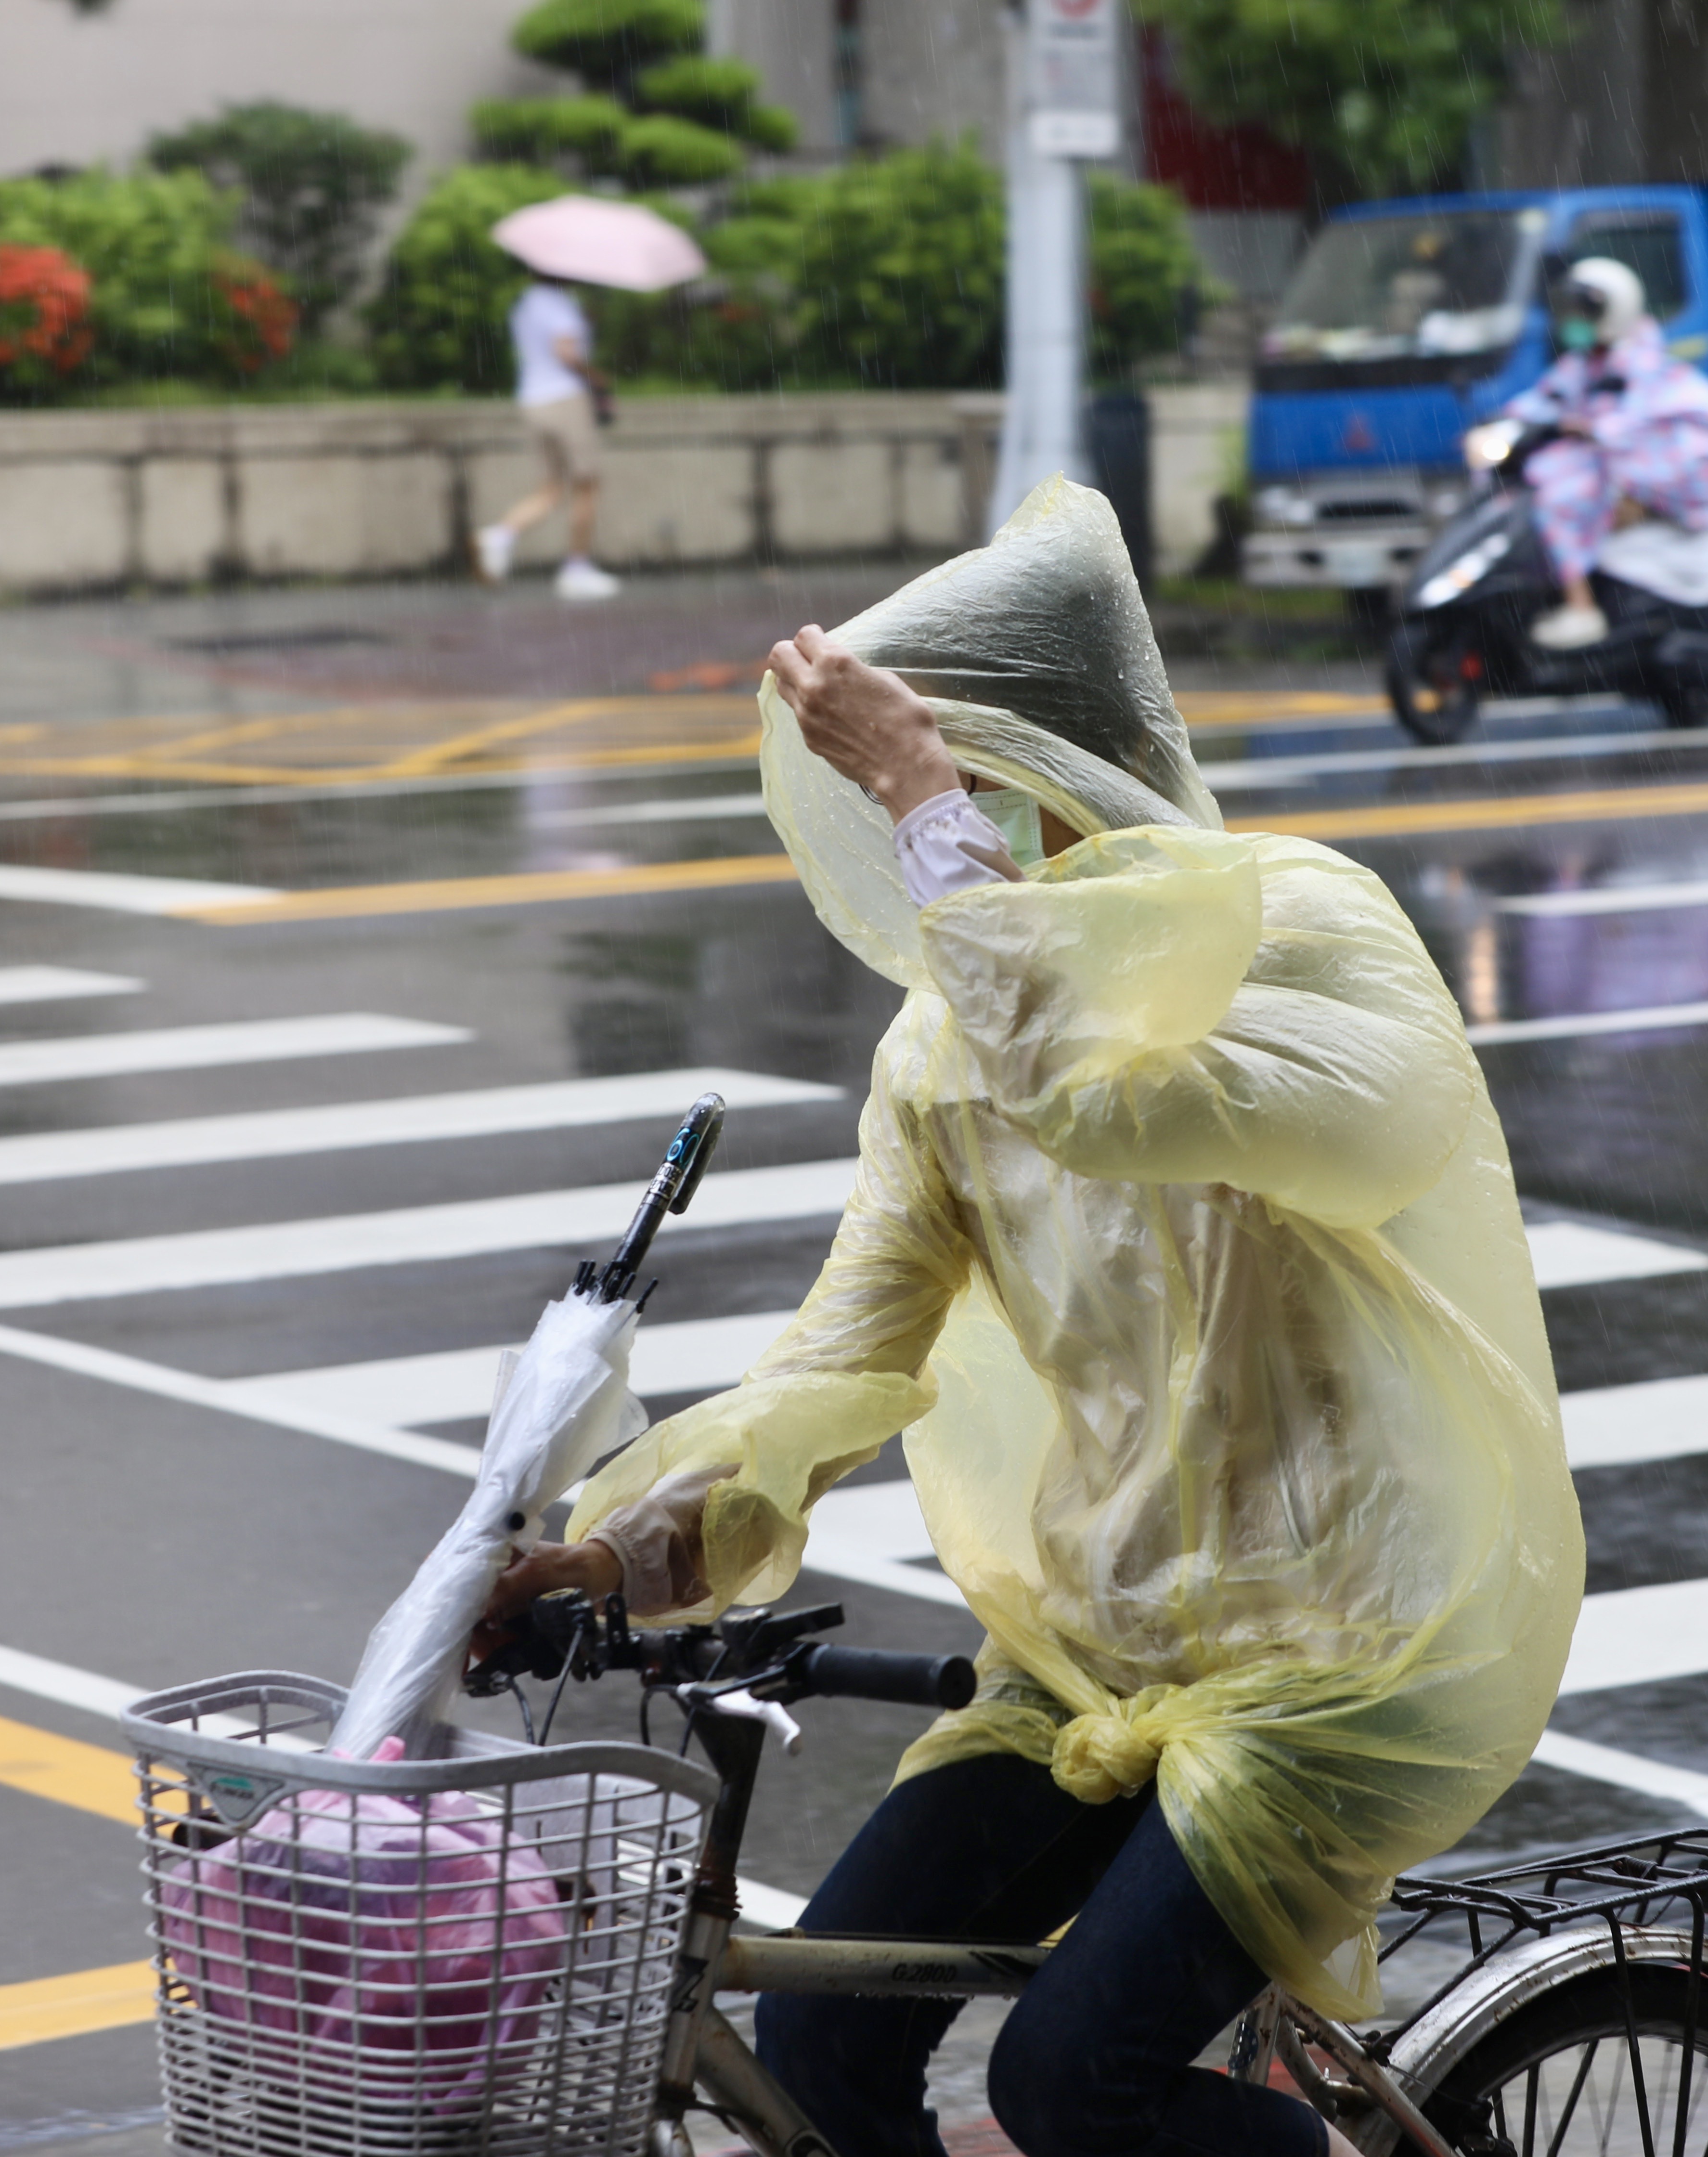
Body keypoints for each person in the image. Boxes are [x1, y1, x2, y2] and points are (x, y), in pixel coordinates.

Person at [477, 481, 1583, 2157]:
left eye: (983, 784)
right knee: (818, 2046)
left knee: (1071, 2084)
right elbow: (843, 1361)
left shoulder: (1303, 930)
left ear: (1093, 770)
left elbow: (1103, 1088)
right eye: (934, 795)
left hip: (1356, 1659)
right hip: (1099, 1648)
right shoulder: (943, 1050)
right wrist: (614, 1557)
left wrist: (926, 797)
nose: (955, 836)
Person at [1506, 256, 1708, 651]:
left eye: (1582, 310)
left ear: (1612, 310)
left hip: (1657, 475)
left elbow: (1632, 422)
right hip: (1613, 467)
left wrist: (1587, 427)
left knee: (1558, 497)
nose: (1571, 319)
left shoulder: (1640, 360)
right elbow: (1546, 399)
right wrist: (1503, 421)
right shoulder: (1584, 361)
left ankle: (1581, 606)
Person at [475, 275, 620, 600]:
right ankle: (576, 568)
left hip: (533, 400)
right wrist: (595, 377)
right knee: (588, 485)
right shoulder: (560, 305)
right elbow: (565, 353)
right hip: (564, 399)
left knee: (552, 488)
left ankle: (499, 537)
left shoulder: (527, 304)